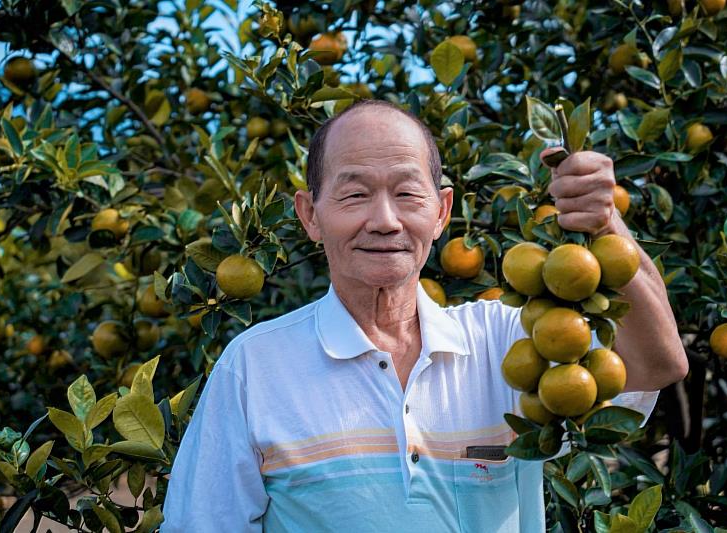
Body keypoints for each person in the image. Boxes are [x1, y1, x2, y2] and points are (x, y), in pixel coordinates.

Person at [161, 100, 688, 532]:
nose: (385, 220)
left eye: (408, 193)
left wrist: (604, 222)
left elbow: (656, 364)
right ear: (309, 215)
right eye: (355, 194)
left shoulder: (510, 342)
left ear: (440, 213)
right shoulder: (257, 365)